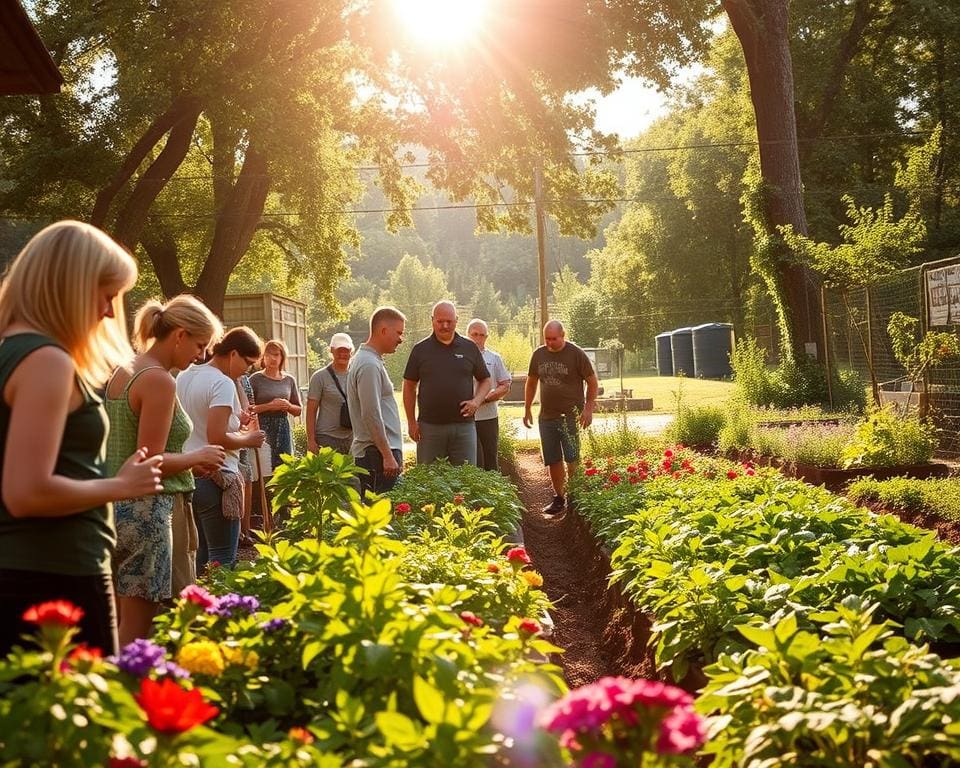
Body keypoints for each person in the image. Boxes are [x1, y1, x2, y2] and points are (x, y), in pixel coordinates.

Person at [0, 220, 163, 656]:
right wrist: (121, 486)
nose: (111, 311)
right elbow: (26, 492)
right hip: (53, 576)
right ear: (68, 287)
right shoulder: (46, 361)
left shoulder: (11, 352)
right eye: (106, 294)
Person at [104, 295, 226, 645]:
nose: (200, 356)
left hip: (113, 505)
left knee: (115, 621)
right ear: (180, 335)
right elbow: (147, 460)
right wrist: (195, 457)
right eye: (200, 345)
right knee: (139, 626)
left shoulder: (126, 369)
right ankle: (128, 690)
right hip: (145, 510)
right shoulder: (159, 380)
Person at [176, 327, 266, 571]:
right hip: (218, 478)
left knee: (200, 557)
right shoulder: (222, 382)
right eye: (247, 363)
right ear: (233, 353)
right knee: (223, 559)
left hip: (189, 475)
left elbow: (200, 423)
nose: (247, 370)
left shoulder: (185, 375)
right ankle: (225, 608)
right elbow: (216, 437)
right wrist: (249, 439)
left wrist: (238, 422)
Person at [523, 320, 599, 515]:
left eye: (553, 339)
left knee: (572, 458)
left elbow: (592, 382)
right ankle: (559, 497)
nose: (549, 343)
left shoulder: (576, 354)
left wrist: (588, 409)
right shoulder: (538, 355)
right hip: (547, 417)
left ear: (563, 335)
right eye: (546, 339)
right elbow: (531, 383)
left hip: (570, 417)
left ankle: (575, 497)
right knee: (553, 459)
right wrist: (528, 408)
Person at [402, 300, 491, 466]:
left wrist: (476, 402)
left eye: (449, 321)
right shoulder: (420, 350)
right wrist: (411, 422)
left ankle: (460, 495)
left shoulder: (469, 347)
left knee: (466, 480)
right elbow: (408, 386)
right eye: (440, 321)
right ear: (432, 320)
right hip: (429, 428)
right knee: (429, 480)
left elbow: (485, 380)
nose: (444, 325)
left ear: (456, 320)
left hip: (464, 427)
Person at [347, 307, 406, 495]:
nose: (400, 339)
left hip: (377, 453)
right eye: (398, 332)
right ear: (383, 330)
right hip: (376, 455)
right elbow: (370, 413)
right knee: (378, 516)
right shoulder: (369, 364)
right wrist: (388, 456)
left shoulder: (370, 360)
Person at [466, 319, 512, 471]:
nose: (478, 338)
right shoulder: (458, 357)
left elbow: (505, 385)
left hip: (488, 417)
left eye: (482, 335)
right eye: (475, 334)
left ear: (486, 337)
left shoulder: (494, 358)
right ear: (467, 335)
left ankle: (493, 492)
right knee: (470, 459)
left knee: (490, 458)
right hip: (464, 417)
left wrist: (486, 398)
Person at [249, 339, 302, 471]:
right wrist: (269, 406)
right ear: (263, 357)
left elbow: (298, 410)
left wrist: (288, 406)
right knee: (263, 468)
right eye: (268, 355)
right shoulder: (255, 379)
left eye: (276, 354)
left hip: (283, 427)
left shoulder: (289, 380)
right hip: (261, 427)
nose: (272, 358)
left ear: (282, 357)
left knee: (284, 469)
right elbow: (247, 409)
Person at [306, 332, 354, 455]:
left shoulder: (357, 375)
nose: (343, 354)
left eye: (346, 350)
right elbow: (311, 411)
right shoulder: (319, 377)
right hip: (327, 437)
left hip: (352, 437)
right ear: (332, 350)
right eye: (339, 350)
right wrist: (311, 440)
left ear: (351, 352)